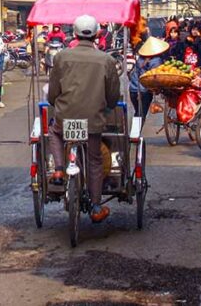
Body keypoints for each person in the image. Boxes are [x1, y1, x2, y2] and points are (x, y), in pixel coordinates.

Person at [47, 15, 120, 223]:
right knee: (94, 160)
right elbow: (113, 96)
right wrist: (109, 106)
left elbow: (53, 92)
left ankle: (59, 170)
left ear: (75, 33)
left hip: (65, 117)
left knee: (54, 131)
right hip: (93, 121)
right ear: (97, 34)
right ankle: (97, 207)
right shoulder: (107, 60)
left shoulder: (61, 57)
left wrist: (54, 101)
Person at [130, 36, 168, 116]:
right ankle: (138, 128)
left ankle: (136, 127)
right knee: (142, 114)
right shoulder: (156, 60)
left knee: (138, 113)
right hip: (144, 91)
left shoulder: (141, 58)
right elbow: (155, 77)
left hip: (133, 89)